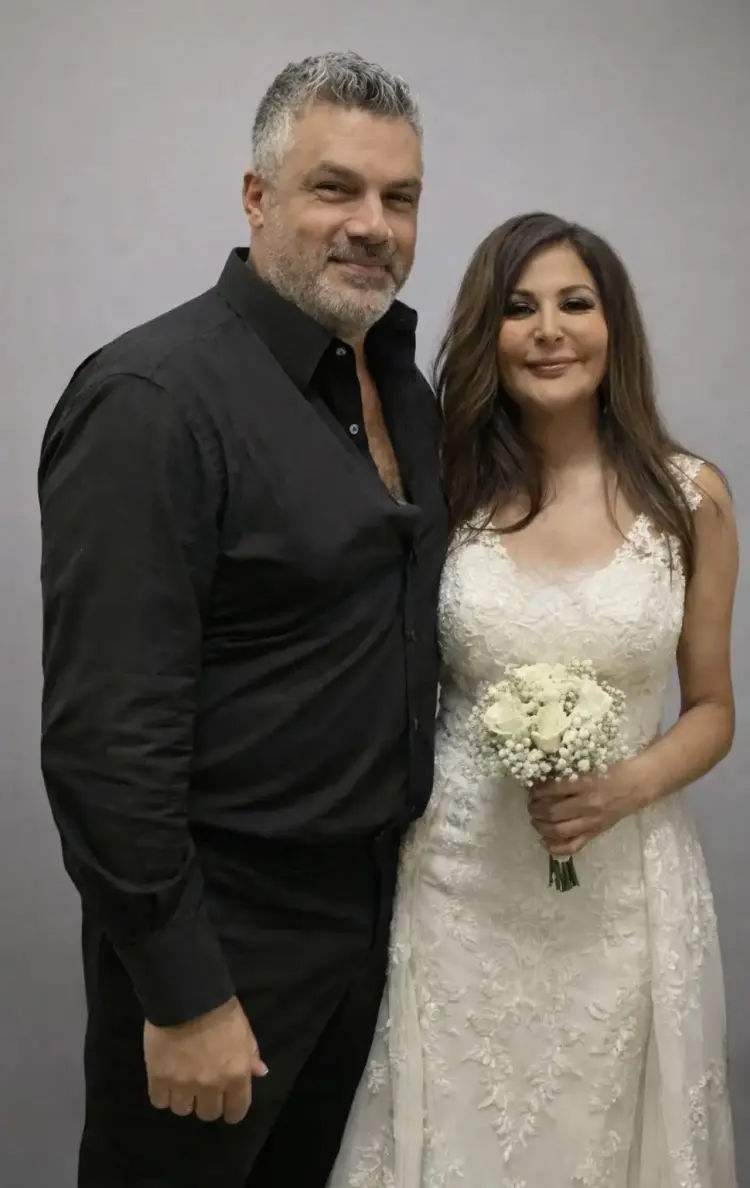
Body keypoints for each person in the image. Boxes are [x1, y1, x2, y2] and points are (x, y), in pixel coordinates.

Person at [38, 51, 447, 1188]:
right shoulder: (153, 402)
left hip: (376, 921)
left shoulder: (399, 385)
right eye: (335, 188)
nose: (372, 225)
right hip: (223, 938)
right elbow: (105, 738)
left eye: (400, 197)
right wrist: (184, 993)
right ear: (257, 198)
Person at [329, 212, 738, 1187]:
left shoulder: (691, 499)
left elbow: (715, 710)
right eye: (520, 309)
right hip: (461, 882)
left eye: (575, 303)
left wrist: (624, 788)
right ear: (491, 334)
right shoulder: (442, 486)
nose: (549, 330)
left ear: (613, 326)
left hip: (623, 888)